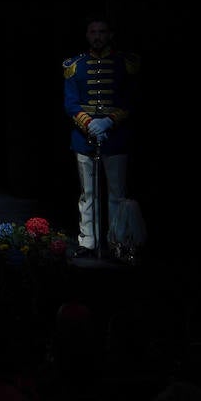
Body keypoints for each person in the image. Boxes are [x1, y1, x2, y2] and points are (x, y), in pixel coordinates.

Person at [63, 17, 138, 259]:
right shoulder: (75, 65)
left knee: (116, 193)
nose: (97, 36)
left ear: (110, 34)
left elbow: (129, 99)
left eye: (102, 32)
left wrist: (109, 121)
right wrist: (89, 123)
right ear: (87, 35)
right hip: (84, 138)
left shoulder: (124, 64)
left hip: (115, 137)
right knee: (88, 193)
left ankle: (117, 241)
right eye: (93, 32)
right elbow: (71, 102)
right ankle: (88, 240)